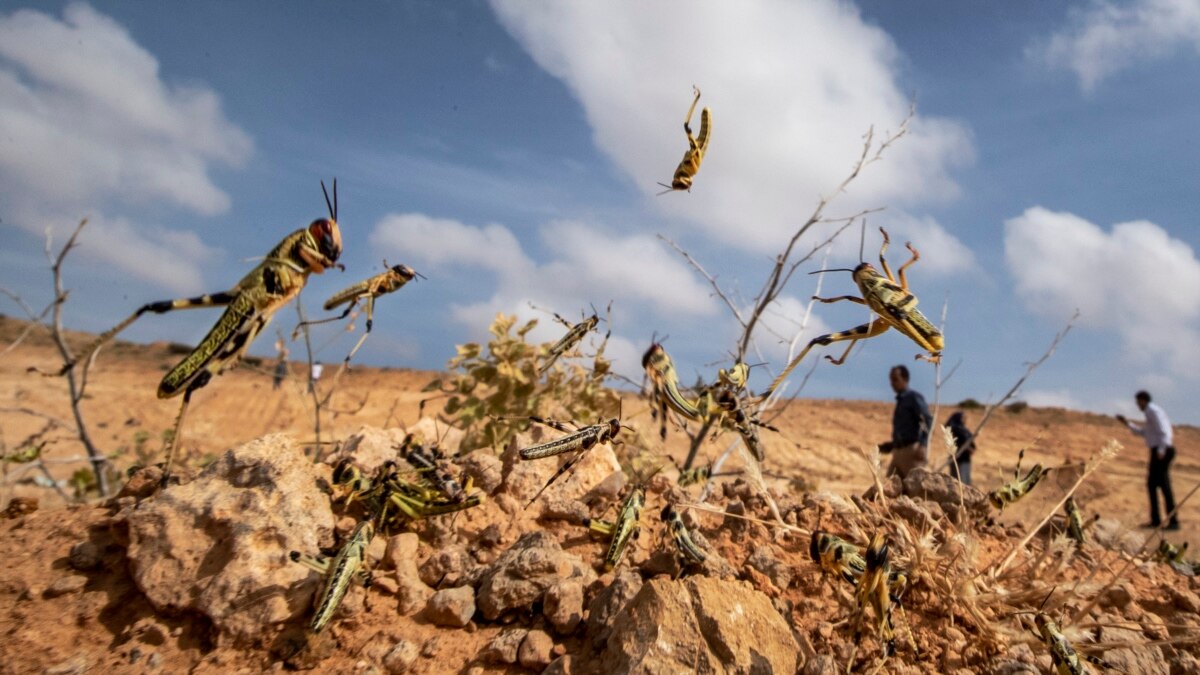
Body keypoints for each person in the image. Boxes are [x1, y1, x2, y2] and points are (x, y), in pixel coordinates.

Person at [1117, 390, 1178, 530]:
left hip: (1161, 451)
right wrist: (1127, 423)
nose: (1137, 405)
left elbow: (1164, 431)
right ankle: (1156, 520)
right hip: (1158, 450)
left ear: (1143, 400)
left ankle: (1173, 521)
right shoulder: (1150, 413)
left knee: (1164, 486)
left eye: (1138, 402)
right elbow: (1144, 433)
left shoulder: (1153, 411)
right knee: (1152, 485)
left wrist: (1161, 450)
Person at [878, 365, 932, 479]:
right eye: (891, 380)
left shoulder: (913, 397)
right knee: (889, 488)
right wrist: (890, 445)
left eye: (895, 379)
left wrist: (923, 444)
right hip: (897, 452)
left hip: (911, 451)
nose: (892, 383)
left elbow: (927, 419)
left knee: (918, 488)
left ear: (905, 379)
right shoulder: (901, 400)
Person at [946, 410, 976, 485]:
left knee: (965, 481)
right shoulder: (955, 429)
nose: (965, 419)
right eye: (963, 417)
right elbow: (958, 443)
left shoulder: (964, 429)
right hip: (958, 458)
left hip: (965, 458)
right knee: (959, 482)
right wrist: (968, 448)